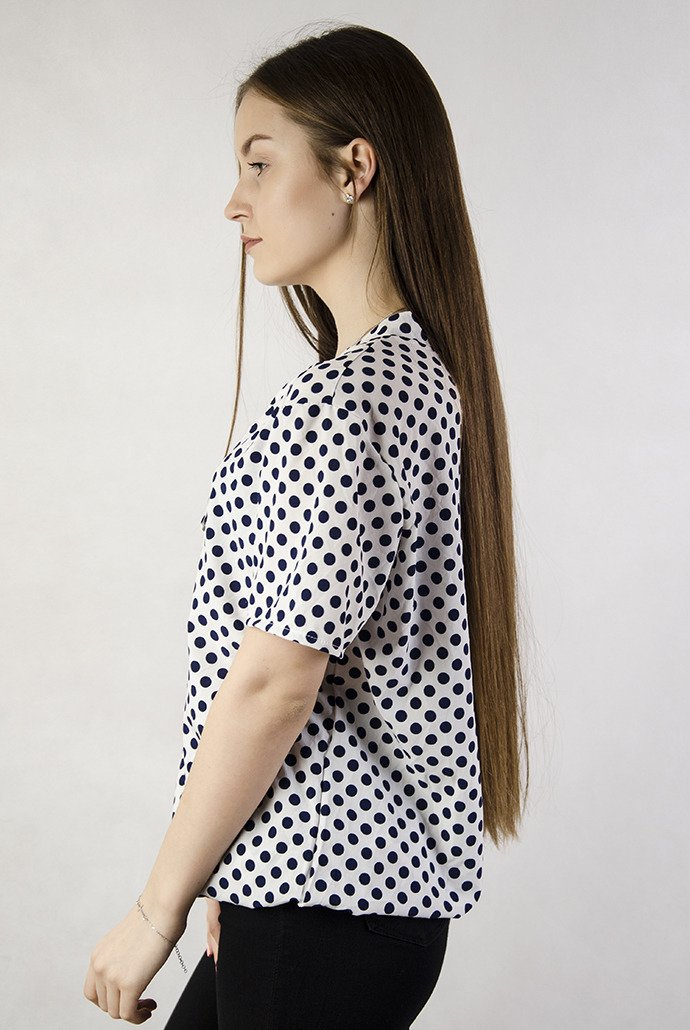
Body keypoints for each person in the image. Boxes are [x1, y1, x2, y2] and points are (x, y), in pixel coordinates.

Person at [83, 21, 529, 1029]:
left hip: (323, 905)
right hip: (320, 894)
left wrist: (156, 909)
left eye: (259, 162)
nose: (233, 201)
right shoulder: (415, 376)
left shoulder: (351, 399)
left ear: (353, 169)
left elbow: (277, 679)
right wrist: (238, 866)